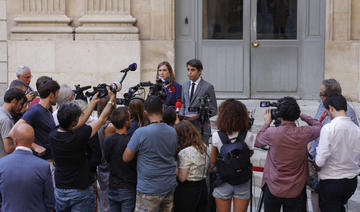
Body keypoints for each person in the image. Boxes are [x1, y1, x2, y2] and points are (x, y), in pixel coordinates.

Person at [49, 88, 115, 212]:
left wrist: (93, 102)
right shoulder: (79, 135)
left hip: (60, 189)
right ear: (74, 123)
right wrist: (111, 100)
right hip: (80, 191)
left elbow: (78, 122)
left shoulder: (53, 134)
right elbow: (102, 119)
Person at [255, 97, 322, 212]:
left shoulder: (272, 132)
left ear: (279, 115)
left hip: (273, 187)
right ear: (295, 114)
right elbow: (319, 126)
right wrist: (301, 114)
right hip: (296, 189)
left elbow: (258, 141)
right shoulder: (304, 132)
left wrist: (267, 123)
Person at [308, 78, 358, 212]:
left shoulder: (334, 125)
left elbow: (339, 148)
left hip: (332, 174)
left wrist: (316, 165)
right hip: (338, 174)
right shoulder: (323, 107)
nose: (320, 98)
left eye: (321, 95)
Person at [123, 96, 178, 212]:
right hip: (169, 184)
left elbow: (126, 157)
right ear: (162, 110)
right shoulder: (173, 131)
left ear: (145, 112)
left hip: (148, 188)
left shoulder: (141, 132)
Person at [211, 99, 255, 212]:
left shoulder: (216, 136)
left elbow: (213, 159)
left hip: (223, 179)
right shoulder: (249, 136)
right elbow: (249, 155)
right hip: (242, 179)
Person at [0, 123, 55, 211]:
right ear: (33, 140)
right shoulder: (43, 166)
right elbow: (49, 201)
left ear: (15, 140)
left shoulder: (1, 164)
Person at [11, 78, 60, 159]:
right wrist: (34, 146)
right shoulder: (35, 110)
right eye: (57, 93)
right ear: (51, 95)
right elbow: (13, 132)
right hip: (39, 160)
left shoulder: (47, 111)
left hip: (48, 159)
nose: (58, 97)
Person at [104, 107, 137, 212]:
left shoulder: (108, 140)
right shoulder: (131, 141)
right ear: (126, 122)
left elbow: (107, 159)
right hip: (128, 186)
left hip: (113, 185)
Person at [174, 120, 210, 212]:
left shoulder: (185, 152)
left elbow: (182, 177)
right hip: (203, 187)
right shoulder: (204, 147)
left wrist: (174, 167)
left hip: (188, 190)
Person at [179, 59, 217, 142]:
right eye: (188, 70)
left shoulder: (208, 87)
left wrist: (197, 116)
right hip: (186, 127)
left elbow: (213, 110)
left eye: (193, 70)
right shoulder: (185, 85)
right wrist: (181, 117)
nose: (189, 72)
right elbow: (183, 104)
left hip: (201, 127)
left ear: (200, 71)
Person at [0, 88, 26, 156]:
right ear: (14, 101)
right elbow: (8, 149)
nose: (21, 108)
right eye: (21, 104)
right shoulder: (5, 120)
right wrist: (25, 144)